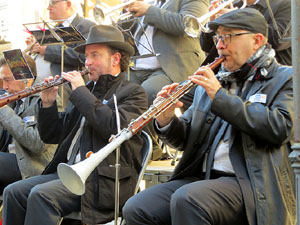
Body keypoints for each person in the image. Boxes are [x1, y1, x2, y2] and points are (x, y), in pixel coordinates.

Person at [123, 8, 295, 225]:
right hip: (202, 177)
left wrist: (220, 97)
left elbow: (279, 129)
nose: (219, 46)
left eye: (228, 37)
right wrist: (166, 120)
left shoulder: (285, 78)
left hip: (252, 182)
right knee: (137, 208)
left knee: (189, 199)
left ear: (257, 40)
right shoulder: (215, 81)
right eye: (218, 38)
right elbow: (187, 139)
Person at [2, 25, 148, 225]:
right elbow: (52, 136)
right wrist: (48, 104)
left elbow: (113, 128)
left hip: (102, 181)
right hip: (69, 172)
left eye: (94, 55)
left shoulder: (134, 92)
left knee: (41, 195)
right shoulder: (86, 90)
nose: (87, 62)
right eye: (87, 56)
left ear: (115, 59)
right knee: (14, 192)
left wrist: (80, 91)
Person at [124, 0, 209, 159]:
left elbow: (187, 25)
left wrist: (149, 11)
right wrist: (127, 15)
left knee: (147, 92)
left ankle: (151, 147)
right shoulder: (150, 2)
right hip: (138, 66)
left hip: (173, 67)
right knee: (117, 90)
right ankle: (126, 146)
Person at [180, 0, 292, 112]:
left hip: (263, 75)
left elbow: (279, 39)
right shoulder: (237, 5)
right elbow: (206, 46)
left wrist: (238, 19)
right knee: (184, 98)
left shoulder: (286, 5)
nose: (219, 45)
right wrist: (213, 23)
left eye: (228, 35)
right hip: (225, 74)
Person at [0, 55, 56, 194]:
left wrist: (4, 112)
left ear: (25, 77)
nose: (5, 86)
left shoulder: (45, 96)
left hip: (32, 165)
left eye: (7, 80)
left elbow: (38, 144)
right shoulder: (11, 95)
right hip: (8, 159)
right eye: (2, 81)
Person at [26, 0, 96, 110]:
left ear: (67, 4)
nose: (48, 8)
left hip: (62, 89)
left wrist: (47, 50)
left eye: (52, 3)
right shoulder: (52, 28)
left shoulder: (86, 26)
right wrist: (33, 48)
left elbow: (82, 56)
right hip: (40, 88)